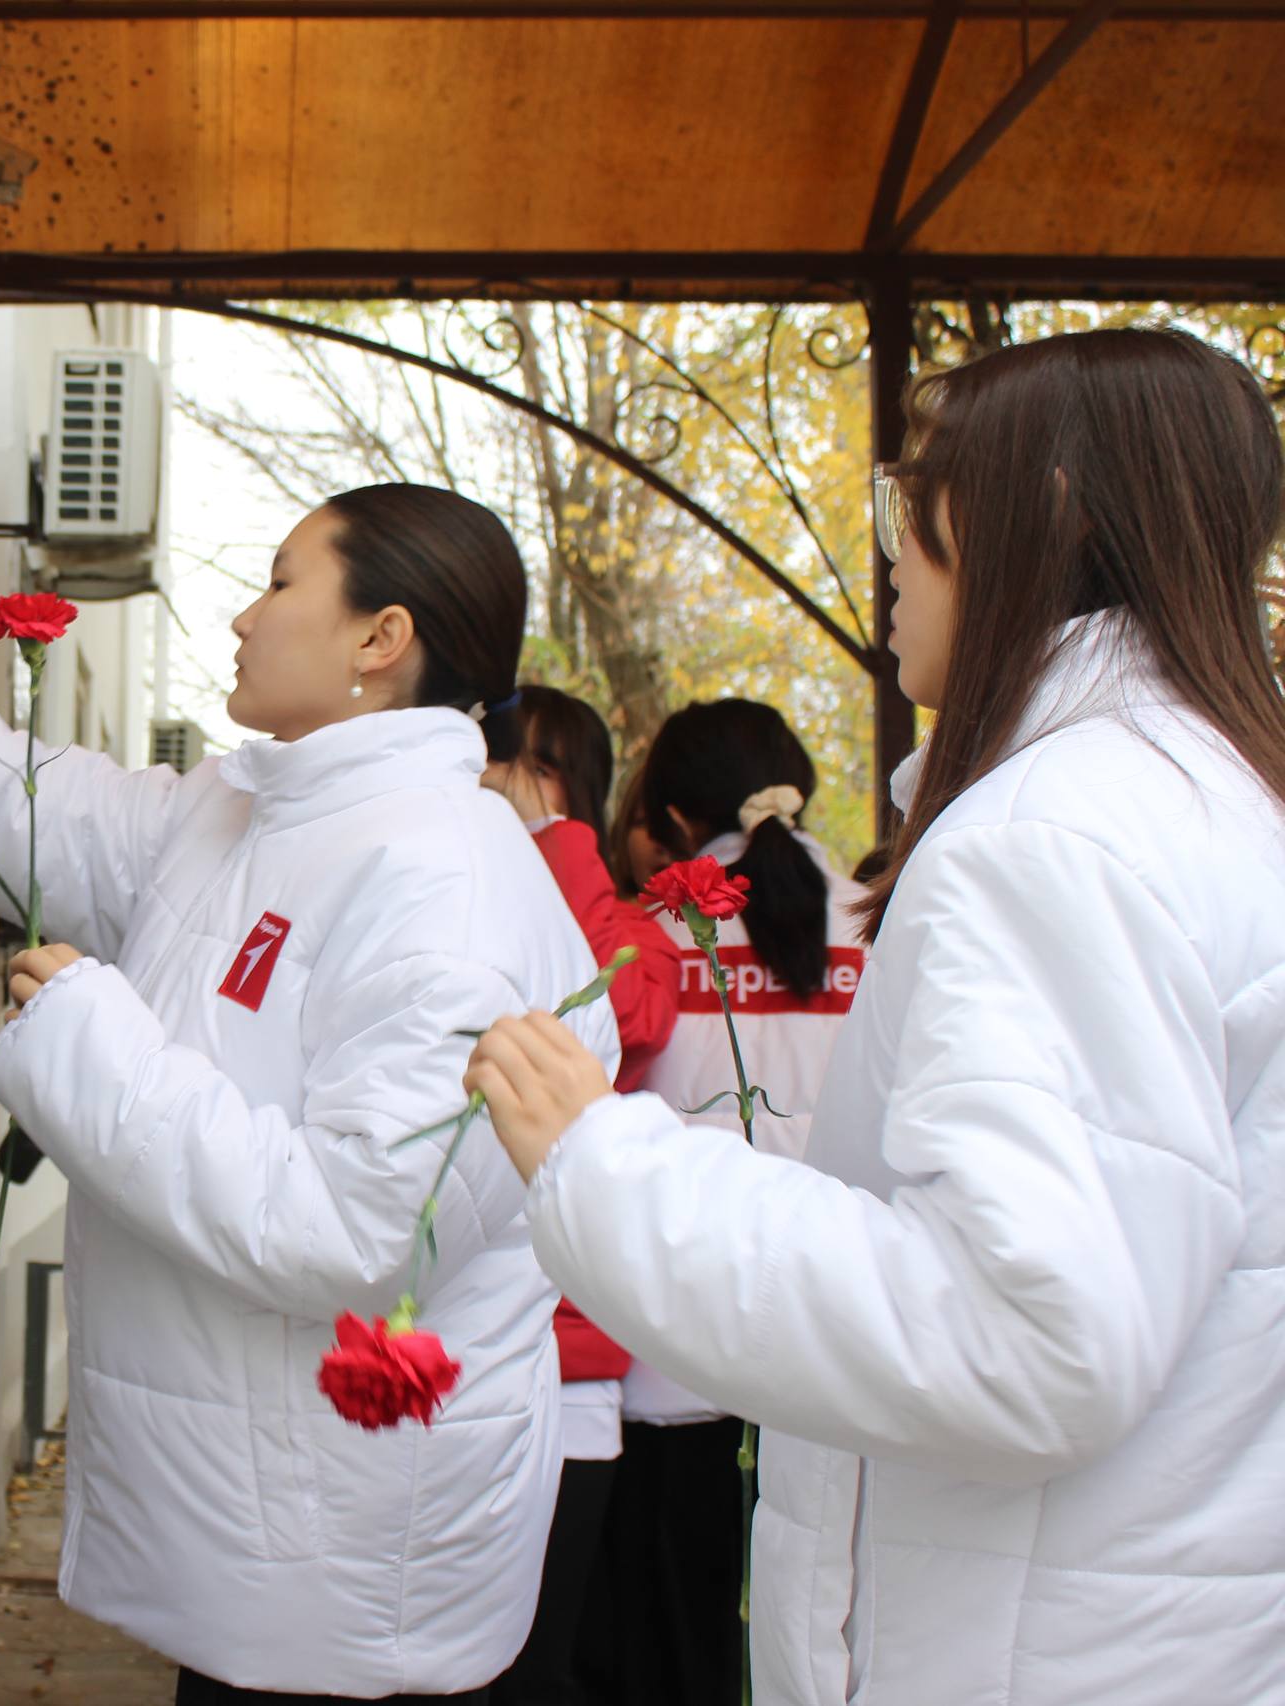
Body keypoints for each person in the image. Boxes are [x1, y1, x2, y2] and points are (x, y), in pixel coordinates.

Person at [0, 483, 619, 1703]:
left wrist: (88, 1044)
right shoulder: (242, 814)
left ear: (379, 639)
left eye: (281, 582)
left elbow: (358, 1225)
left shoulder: (446, 881)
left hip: (347, 1580)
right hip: (255, 1557)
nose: (242, 615)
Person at [467, 327, 1285, 1703]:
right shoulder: (1206, 797)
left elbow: (1028, 1337)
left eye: (914, 492)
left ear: (1042, 511)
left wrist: (604, 1163)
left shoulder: (1051, 838)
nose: (892, 546)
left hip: (1015, 1647)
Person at [580, 698, 867, 1706]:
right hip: (835, 1367)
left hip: (665, 1375)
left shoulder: (645, 939)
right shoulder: (884, 927)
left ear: (666, 814)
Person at [479, 685, 679, 1706]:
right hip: (439, 1335)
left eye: (531, 764)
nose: (500, 781)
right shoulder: (442, 874)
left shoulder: (609, 904)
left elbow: (633, 1011)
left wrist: (550, 840)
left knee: (539, 1666)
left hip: (563, 1356)